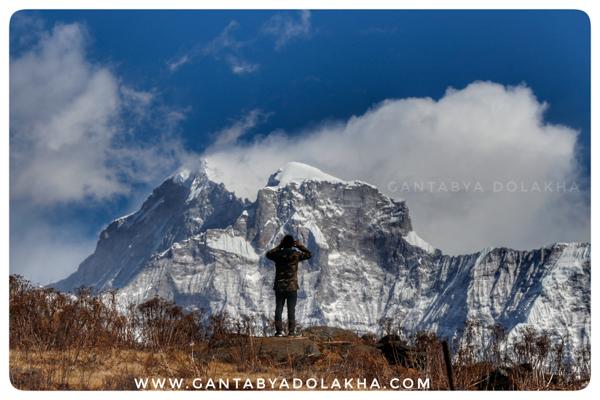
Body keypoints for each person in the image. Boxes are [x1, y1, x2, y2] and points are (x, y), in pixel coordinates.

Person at [265, 235, 311, 337]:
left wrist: (280, 246)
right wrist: (299, 246)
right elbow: (309, 254)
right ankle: (291, 332)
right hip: (292, 287)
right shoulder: (296, 254)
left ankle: (279, 332)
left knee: (278, 309)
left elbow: (268, 254)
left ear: (283, 243)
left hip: (279, 286)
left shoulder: (278, 254)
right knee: (291, 310)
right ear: (292, 244)